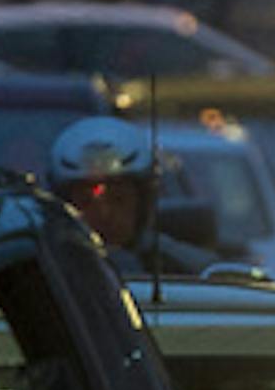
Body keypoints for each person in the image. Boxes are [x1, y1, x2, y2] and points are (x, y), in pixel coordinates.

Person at [50, 118, 217, 277]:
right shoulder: (43, 271)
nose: (104, 214)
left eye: (118, 199)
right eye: (85, 202)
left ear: (143, 202)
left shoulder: (193, 272)